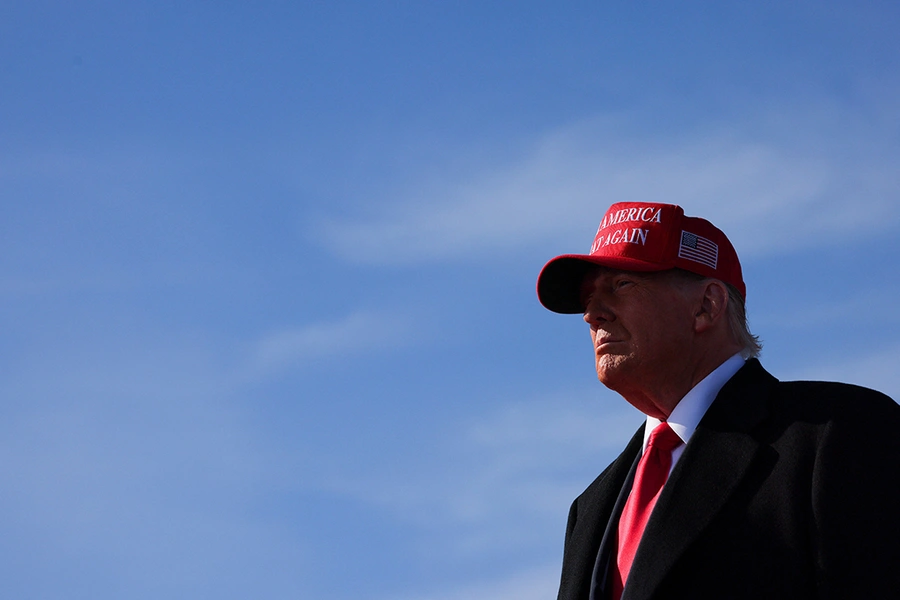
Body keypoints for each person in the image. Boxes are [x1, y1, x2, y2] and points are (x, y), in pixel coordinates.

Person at [535, 202, 900, 600]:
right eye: (588, 297)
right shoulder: (588, 511)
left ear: (706, 305)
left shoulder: (842, 432)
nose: (592, 315)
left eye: (621, 285)